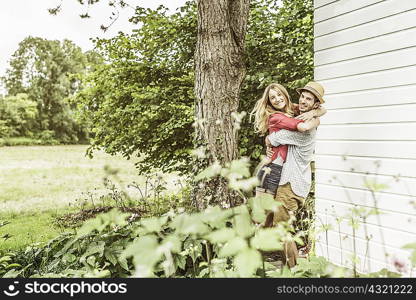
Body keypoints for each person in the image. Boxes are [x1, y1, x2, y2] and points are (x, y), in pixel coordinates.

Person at [265, 81, 326, 268]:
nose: (304, 101)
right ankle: (288, 265)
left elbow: (275, 138)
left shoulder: (305, 129)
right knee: (274, 224)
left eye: (309, 98)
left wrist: (267, 140)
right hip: (288, 182)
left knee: (282, 229)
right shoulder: (301, 115)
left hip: (292, 184)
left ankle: (295, 271)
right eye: (303, 97)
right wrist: (318, 113)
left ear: (315, 103)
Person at [250, 83, 326, 202]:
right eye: (272, 97)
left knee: (268, 215)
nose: (277, 99)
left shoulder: (291, 109)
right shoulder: (277, 117)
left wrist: (313, 113)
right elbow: (303, 127)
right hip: (272, 168)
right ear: (269, 101)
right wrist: (316, 121)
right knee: (261, 214)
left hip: (279, 169)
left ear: (285, 95)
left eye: (279, 95)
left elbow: (323, 109)